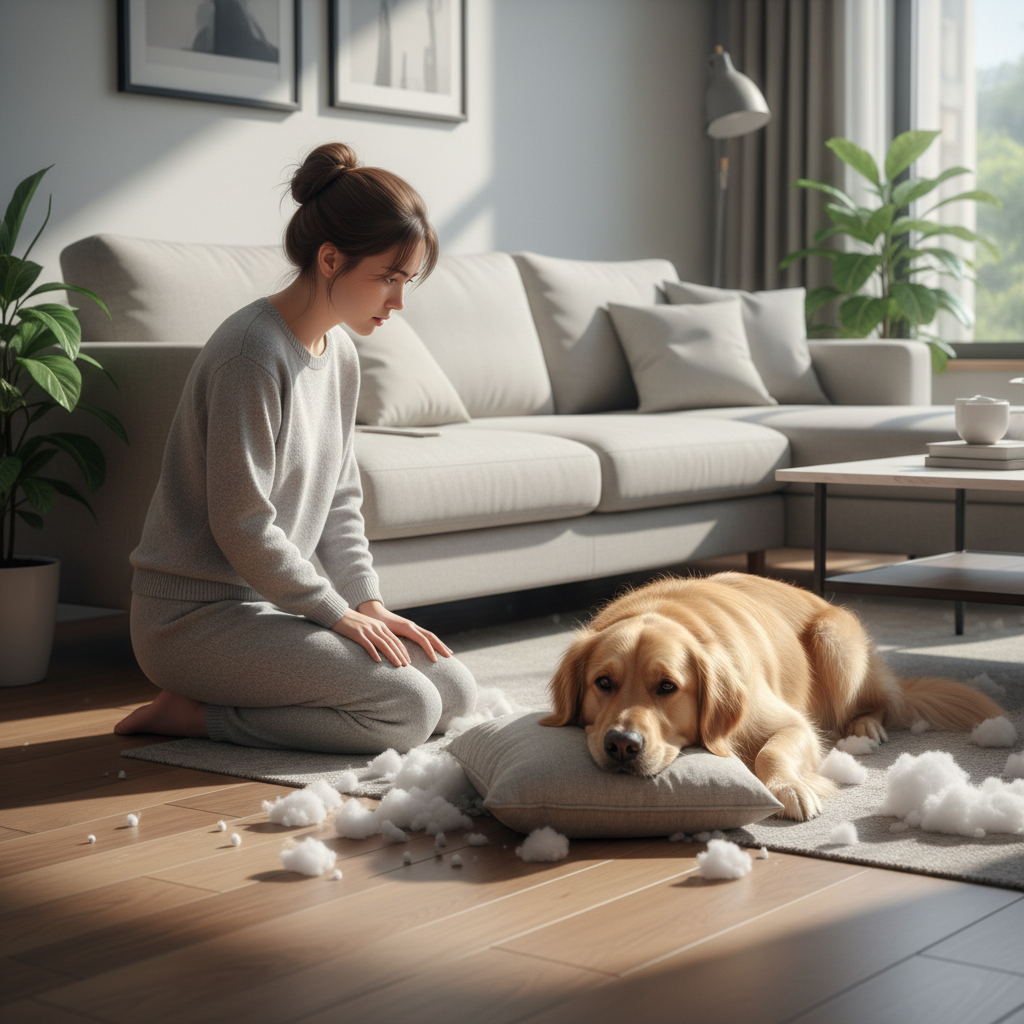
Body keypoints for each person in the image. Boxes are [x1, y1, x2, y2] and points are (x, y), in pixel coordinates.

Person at [115, 142, 477, 754]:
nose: (399, 301)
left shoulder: (342, 355)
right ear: (331, 258)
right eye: (388, 278)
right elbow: (243, 525)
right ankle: (193, 716)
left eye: (406, 280)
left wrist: (369, 605)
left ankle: (235, 695)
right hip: (193, 621)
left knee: (455, 692)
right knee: (408, 709)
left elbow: (339, 500)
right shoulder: (250, 355)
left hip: (274, 612)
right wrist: (334, 614)